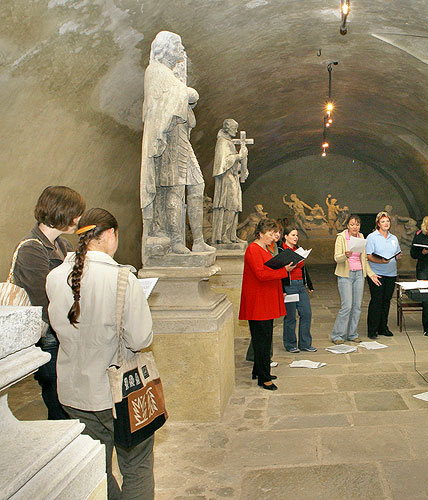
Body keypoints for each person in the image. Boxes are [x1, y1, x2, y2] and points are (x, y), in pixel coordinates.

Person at [45, 208, 154, 500]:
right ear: (109, 235)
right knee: (137, 466)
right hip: (117, 392)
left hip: (74, 392)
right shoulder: (122, 279)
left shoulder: (55, 277)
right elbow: (140, 338)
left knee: (96, 470)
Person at [13, 186, 85, 420]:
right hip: (49, 340)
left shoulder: (63, 246)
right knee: (59, 406)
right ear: (61, 212)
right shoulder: (31, 249)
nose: (78, 219)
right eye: (76, 213)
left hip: (64, 333)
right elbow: (45, 303)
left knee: (71, 403)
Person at [140, 31, 213, 257]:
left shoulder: (169, 75)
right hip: (168, 139)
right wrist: (188, 92)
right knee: (175, 189)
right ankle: (176, 241)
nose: (181, 51)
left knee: (197, 185)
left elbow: (179, 95)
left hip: (180, 137)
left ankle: (198, 241)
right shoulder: (155, 71)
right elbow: (167, 101)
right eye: (178, 46)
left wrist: (186, 93)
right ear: (166, 48)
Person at [239, 218, 296, 390]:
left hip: (266, 297)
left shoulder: (265, 247)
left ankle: (259, 370)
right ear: (261, 234)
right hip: (258, 300)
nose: (273, 237)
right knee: (262, 340)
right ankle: (264, 378)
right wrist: (283, 271)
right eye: (270, 234)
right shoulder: (253, 249)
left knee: (264, 338)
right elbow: (261, 275)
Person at [331, 215, 380, 344]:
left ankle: (353, 334)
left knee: (357, 306)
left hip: (359, 274)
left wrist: (371, 274)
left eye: (357, 224)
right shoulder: (341, 238)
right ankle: (338, 335)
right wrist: (345, 255)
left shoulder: (361, 237)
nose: (355, 227)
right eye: (352, 224)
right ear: (347, 225)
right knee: (346, 306)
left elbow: (364, 259)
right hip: (345, 275)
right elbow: (337, 258)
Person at [280, 226, 316, 353]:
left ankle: (305, 343)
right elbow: (278, 270)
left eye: (296, 235)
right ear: (285, 236)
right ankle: (290, 344)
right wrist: (282, 289)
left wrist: (309, 284)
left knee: (306, 313)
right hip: (289, 286)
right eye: (293, 235)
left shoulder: (298, 249)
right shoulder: (280, 250)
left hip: (300, 285)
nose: (296, 237)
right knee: (290, 317)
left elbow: (303, 268)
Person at [365, 211, 401, 339]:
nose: (386, 223)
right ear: (378, 223)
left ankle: (383, 327)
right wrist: (381, 260)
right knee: (377, 300)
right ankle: (372, 329)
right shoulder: (372, 237)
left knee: (386, 301)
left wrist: (398, 256)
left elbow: (397, 253)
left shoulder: (394, 238)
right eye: (383, 221)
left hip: (391, 273)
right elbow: (368, 256)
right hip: (377, 273)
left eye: (388, 221)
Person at [212, 119, 248, 244]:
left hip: (233, 177)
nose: (236, 131)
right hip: (226, 179)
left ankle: (232, 234)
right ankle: (223, 235)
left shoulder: (229, 143)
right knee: (230, 205)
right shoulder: (222, 142)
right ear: (227, 128)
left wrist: (242, 168)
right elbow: (223, 162)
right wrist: (239, 156)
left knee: (235, 206)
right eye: (234, 128)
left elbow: (232, 163)